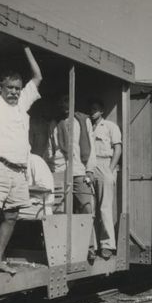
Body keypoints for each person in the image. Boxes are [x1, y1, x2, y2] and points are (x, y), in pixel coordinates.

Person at [0, 30, 42, 275]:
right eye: (10, 88)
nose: (14, 92)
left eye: (17, 88)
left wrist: (26, 46)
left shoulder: (22, 104)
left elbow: (37, 76)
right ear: (0, 87)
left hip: (18, 171)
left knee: (12, 216)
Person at [52, 95, 98, 260]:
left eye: (66, 101)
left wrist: (90, 170)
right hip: (62, 172)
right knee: (62, 211)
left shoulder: (83, 120)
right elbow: (55, 150)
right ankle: (65, 249)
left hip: (79, 171)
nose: (64, 105)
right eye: (61, 102)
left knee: (86, 208)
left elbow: (91, 147)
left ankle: (90, 247)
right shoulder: (57, 125)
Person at [89, 98, 122, 259]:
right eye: (91, 109)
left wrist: (110, 169)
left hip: (104, 164)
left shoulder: (110, 126)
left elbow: (117, 148)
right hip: (90, 166)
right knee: (90, 207)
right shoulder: (88, 126)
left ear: (101, 111)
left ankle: (107, 245)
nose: (92, 111)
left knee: (105, 208)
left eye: (96, 109)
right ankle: (93, 245)